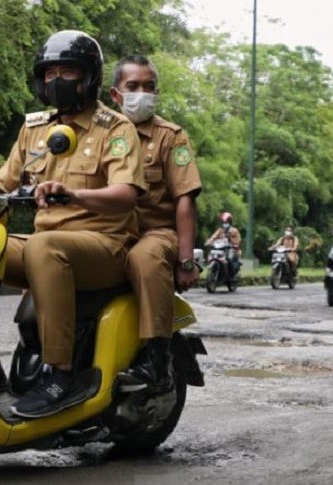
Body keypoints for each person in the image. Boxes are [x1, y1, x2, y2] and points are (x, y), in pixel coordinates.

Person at [0, 30, 145, 418]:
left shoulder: (114, 128)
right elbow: (2, 184)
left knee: (45, 247)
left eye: (68, 71)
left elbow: (126, 194)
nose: (57, 80)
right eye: (50, 73)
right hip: (46, 244)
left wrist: (75, 195)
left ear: (89, 77)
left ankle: (59, 375)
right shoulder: (35, 129)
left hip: (104, 246)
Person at [108, 54, 202, 395]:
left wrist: (186, 259)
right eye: (132, 86)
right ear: (115, 94)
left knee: (144, 257)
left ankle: (157, 361)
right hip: (107, 234)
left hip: (155, 233)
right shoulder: (100, 134)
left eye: (149, 87)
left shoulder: (170, 137)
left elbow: (185, 200)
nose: (141, 93)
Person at [205, 212, 242, 277]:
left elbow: (238, 240)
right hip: (221, 249)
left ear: (230, 222)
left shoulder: (234, 230)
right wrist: (209, 241)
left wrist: (233, 242)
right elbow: (214, 237)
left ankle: (232, 276)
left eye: (227, 222)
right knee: (212, 256)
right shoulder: (220, 230)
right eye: (224, 222)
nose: (225, 224)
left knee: (229, 259)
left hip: (231, 249)